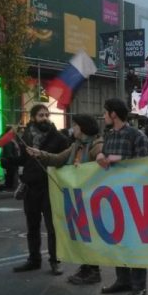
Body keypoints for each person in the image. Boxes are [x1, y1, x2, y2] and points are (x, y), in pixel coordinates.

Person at [27, 114, 104, 283]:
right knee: (82, 236)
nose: (73, 129)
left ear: (82, 128)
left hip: (91, 199)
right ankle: (85, 267)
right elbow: (58, 159)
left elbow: (102, 167)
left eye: (75, 125)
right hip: (77, 199)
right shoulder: (76, 146)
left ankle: (94, 271)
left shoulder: (97, 146)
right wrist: (40, 154)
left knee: (90, 236)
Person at [97, 98, 148, 295]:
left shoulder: (137, 136)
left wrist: (117, 160)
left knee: (134, 242)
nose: (104, 116)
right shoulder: (109, 135)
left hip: (134, 197)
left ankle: (139, 284)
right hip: (114, 196)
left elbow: (146, 165)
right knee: (118, 239)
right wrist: (101, 157)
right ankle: (123, 279)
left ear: (113, 114)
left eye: (105, 113)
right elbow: (105, 159)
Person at [12, 105, 69, 275]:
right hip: (31, 186)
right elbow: (22, 159)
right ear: (33, 117)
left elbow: (62, 161)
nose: (44, 118)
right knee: (32, 226)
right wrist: (10, 159)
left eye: (46, 115)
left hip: (49, 185)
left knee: (52, 227)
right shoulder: (26, 136)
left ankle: (55, 260)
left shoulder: (58, 138)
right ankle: (34, 259)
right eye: (40, 115)